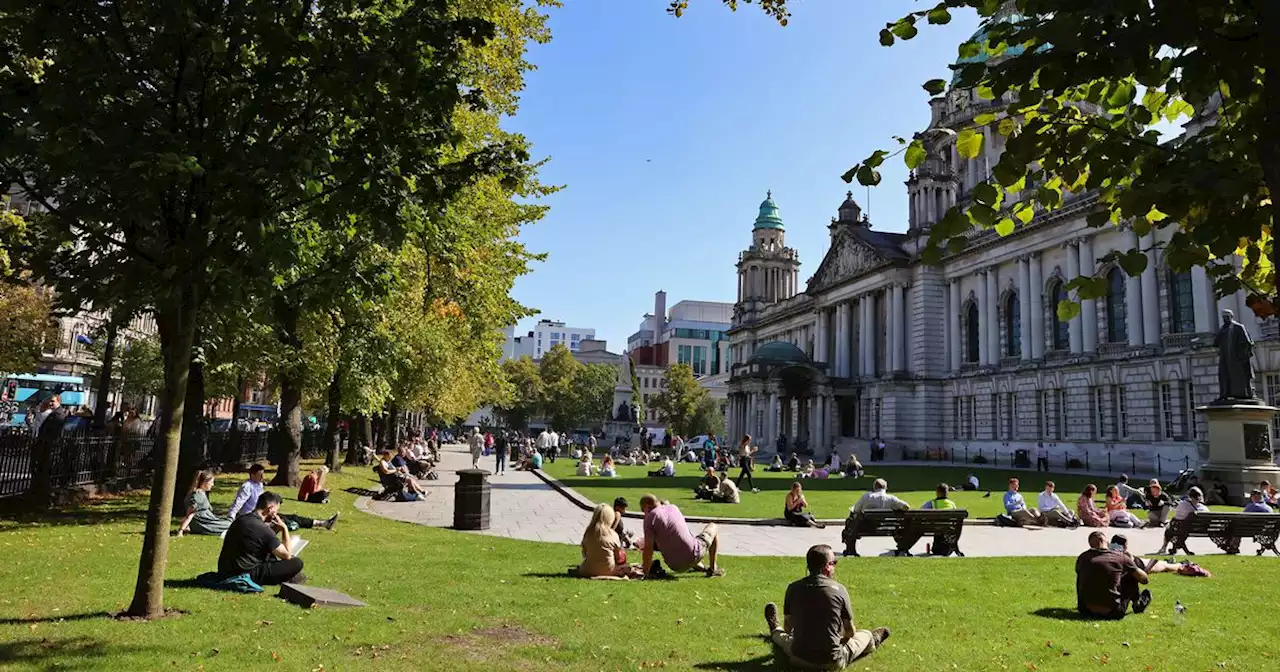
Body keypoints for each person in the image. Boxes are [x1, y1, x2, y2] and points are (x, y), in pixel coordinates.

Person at [763, 544, 891, 669]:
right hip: (832, 661)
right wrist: (840, 639)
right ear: (827, 566)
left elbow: (788, 627)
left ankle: (774, 627)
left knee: (783, 637)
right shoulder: (839, 589)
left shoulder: (793, 588)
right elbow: (850, 632)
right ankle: (873, 640)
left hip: (798, 658)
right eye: (834, 563)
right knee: (864, 635)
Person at [217, 491, 306, 585]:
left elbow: (262, 542)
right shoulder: (263, 529)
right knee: (297, 563)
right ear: (270, 508)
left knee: (271, 556)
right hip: (245, 573)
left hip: (225, 570)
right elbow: (287, 555)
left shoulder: (241, 519)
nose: (276, 514)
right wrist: (284, 528)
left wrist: (274, 531)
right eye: (276, 511)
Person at [640, 493, 724, 577]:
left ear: (646, 507)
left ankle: (704, 568)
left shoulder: (650, 518)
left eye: (643, 511)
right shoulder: (673, 507)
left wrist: (645, 572)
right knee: (713, 526)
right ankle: (713, 569)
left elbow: (648, 548)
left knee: (678, 544)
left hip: (674, 565)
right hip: (693, 554)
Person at [1075, 530, 1151, 619]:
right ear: (1102, 540)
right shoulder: (1121, 558)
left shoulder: (1082, 558)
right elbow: (1144, 580)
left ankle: (1089, 602)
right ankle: (1137, 603)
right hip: (1113, 612)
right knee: (1131, 574)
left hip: (1085, 611)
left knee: (1083, 575)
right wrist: (1131, 561)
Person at [577, 504, 642, 579]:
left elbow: (584, 554)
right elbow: (618, 558)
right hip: (609, 570)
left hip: (587, 570)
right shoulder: (612, 534)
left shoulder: (588, 532)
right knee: (625, 564)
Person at [1156, 486, 1209, 555]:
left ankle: (1164, 547)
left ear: (1190, 496)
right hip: (1201, 529)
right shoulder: (1204, 508)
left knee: (1170, 530)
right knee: (1180, 529)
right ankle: (1173, 548)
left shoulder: (1183, 505)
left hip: (1184, 528)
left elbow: (1177, 518)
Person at [177, 470, 231, 537]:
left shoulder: (201, 493)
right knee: (231, 525)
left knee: (231, 522)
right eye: (211, 482)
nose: (212, 484)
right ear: (204, 482)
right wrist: (181, 530)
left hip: (208, 521)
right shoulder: (197, 496)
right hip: (204, 524)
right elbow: (190, 514)